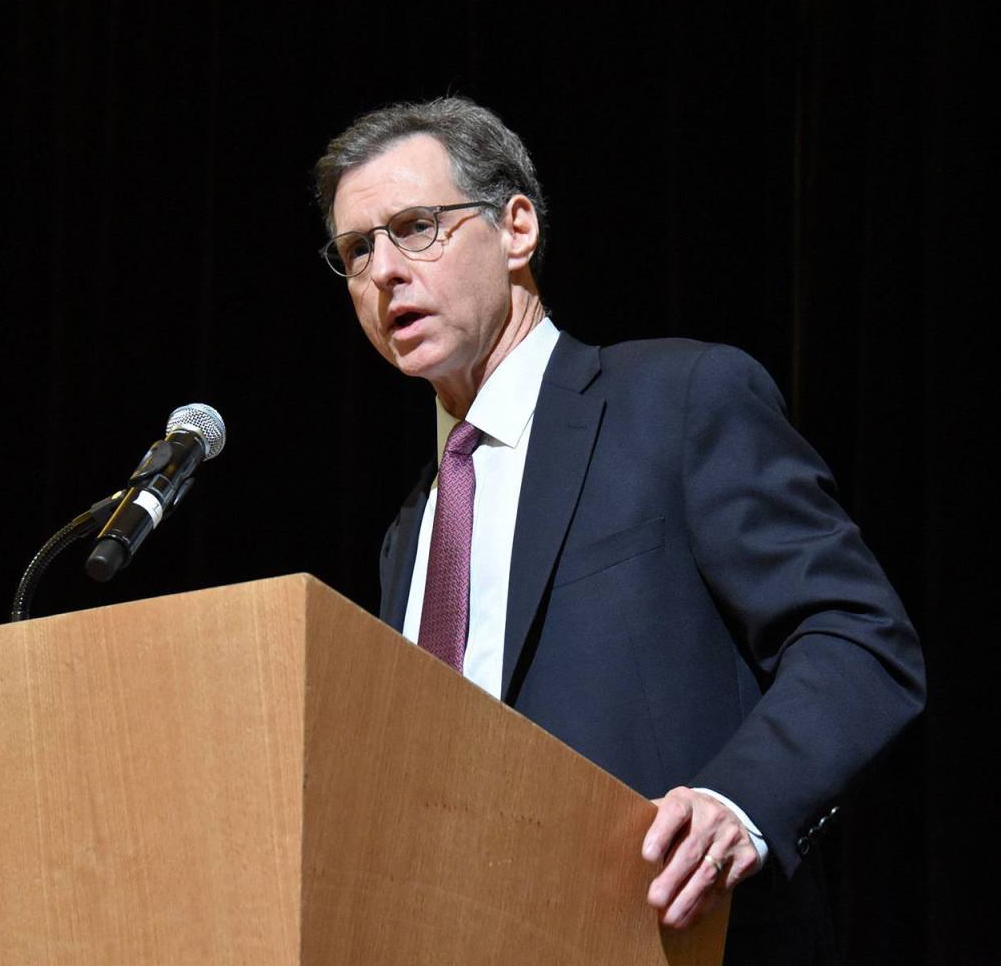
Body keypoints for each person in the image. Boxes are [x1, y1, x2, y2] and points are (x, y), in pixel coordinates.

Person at [313, 96, 924, 964]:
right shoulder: (410, 530)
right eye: (356, 251)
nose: (383, 272)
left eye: (415, 228)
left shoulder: (677, 402)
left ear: (516, 228)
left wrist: (741, 804)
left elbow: (859, 636)